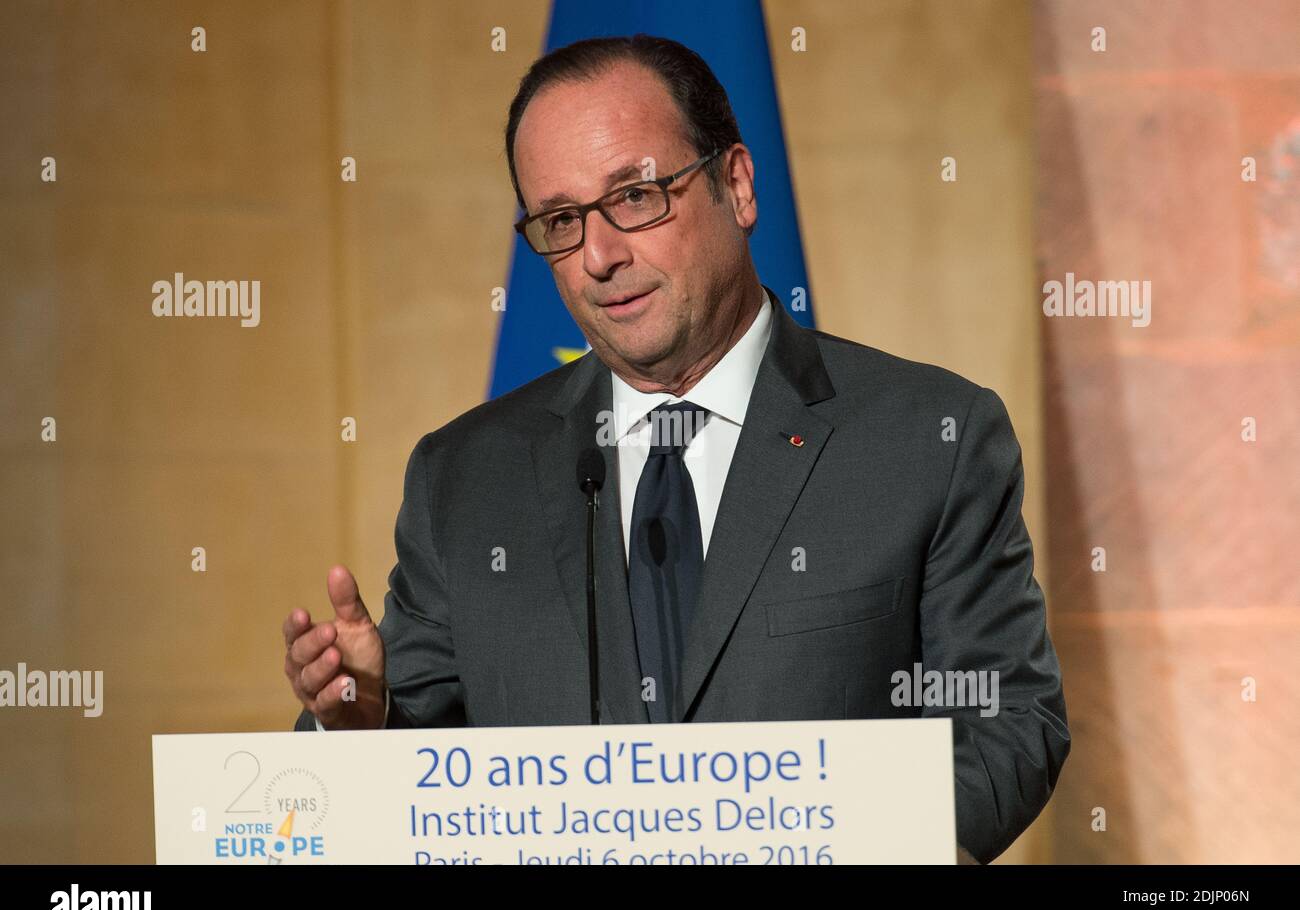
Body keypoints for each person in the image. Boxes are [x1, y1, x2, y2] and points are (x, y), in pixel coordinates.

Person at [281, 35, 1069, 864]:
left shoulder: (927, 438)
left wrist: (820, 842)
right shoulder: (466, 478)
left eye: (636, 196)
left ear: (737, 183)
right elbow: (404, 781)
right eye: (561, 219)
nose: (598, 256)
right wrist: (363, 722)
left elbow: (1008, 729)